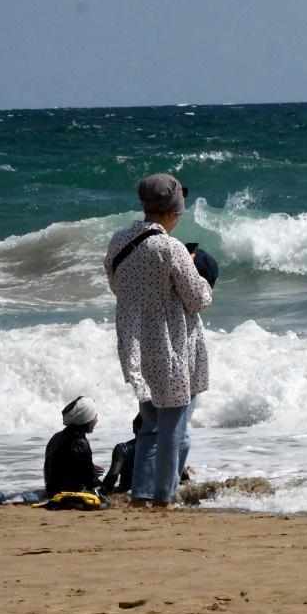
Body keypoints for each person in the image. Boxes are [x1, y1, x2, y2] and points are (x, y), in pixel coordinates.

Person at [105, 173, 212, 510]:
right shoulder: (170, 247)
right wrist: (198, 273)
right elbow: (198, 299)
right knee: (174, 429)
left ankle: (141, 497)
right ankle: (164, 499)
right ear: (170, 212)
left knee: (150, 427)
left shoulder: (119, 241)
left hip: (135, 342)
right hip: (171, 345)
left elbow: (117, 286)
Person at [44, 396, 103, 498]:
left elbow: (63, 465)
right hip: (64, 494)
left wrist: (89, 467)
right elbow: (90, 481)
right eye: (94, 417)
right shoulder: (81, 443)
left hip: (50, 489)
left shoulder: (57, 436)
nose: (96, 420)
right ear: (86, 419)